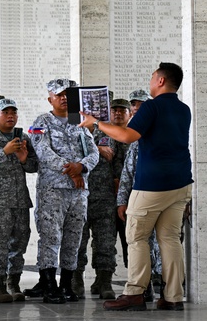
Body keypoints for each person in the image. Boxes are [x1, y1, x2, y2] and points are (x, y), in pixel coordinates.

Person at [79, 63, 192, 311]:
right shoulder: (184, 109)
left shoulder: (152, 106)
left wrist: (95, 123)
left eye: (153, 77)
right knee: (170, 239)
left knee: (137, 237)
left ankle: (134, 294)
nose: (150, 81)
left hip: (153, 184)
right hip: (181, 183)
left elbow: (128, 136)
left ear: (161, 81)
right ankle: (173, 296)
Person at [27, 78, 100, 303]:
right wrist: (72, 170)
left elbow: (94, 152)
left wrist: (83, 166)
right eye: (59, 95)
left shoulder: (79, 121)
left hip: (78, 193)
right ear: (50, 98)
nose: (64, 98)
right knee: (51, 237)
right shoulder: (41, 122)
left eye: (67, 94)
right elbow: (43, 152)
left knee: (74, 238)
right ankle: (49, 286)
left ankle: (67, 285)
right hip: (53, 190)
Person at [0, 98, 40, 303]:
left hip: (20, 201)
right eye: (6, 112)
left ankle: (14, 283)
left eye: (14, 112)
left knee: (19, 244)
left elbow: (34, 167)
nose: (11, 116)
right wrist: (4, 152)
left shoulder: (24, 138)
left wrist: (22, 158)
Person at [74, 94, 130, 299]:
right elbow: (67, 155)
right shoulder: (73, 130)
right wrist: (96, 149)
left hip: (104, 197)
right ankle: (76, 279)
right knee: (78, 241)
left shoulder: (107, 131)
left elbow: (117, 164)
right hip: (78, 196)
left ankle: (104, 280)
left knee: (106, 242)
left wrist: (119, 193)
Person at [116, 89, 162, 302]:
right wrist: (122, 200)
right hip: (140, 197)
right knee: (139, 242)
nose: (136, 108)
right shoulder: (135, 135)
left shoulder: (162, 130)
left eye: (140, 104)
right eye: (134, 105)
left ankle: (165, 287)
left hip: (163, 196)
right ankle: (145, 287)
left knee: (162, 244)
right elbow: (128, 171)